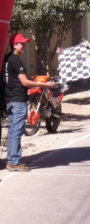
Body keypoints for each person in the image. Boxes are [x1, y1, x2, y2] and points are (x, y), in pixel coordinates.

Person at [1, 33, 55, 172]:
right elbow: (24, 82)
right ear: (14, 45)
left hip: (9, 99)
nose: (23, 45)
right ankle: (13, 161)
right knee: (16, 132)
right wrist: (44, 85)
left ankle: (11, 161)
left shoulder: (6, 59)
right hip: (18, 100)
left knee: (13, 131)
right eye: (21, 43)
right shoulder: (16, 61)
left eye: (24, 43)